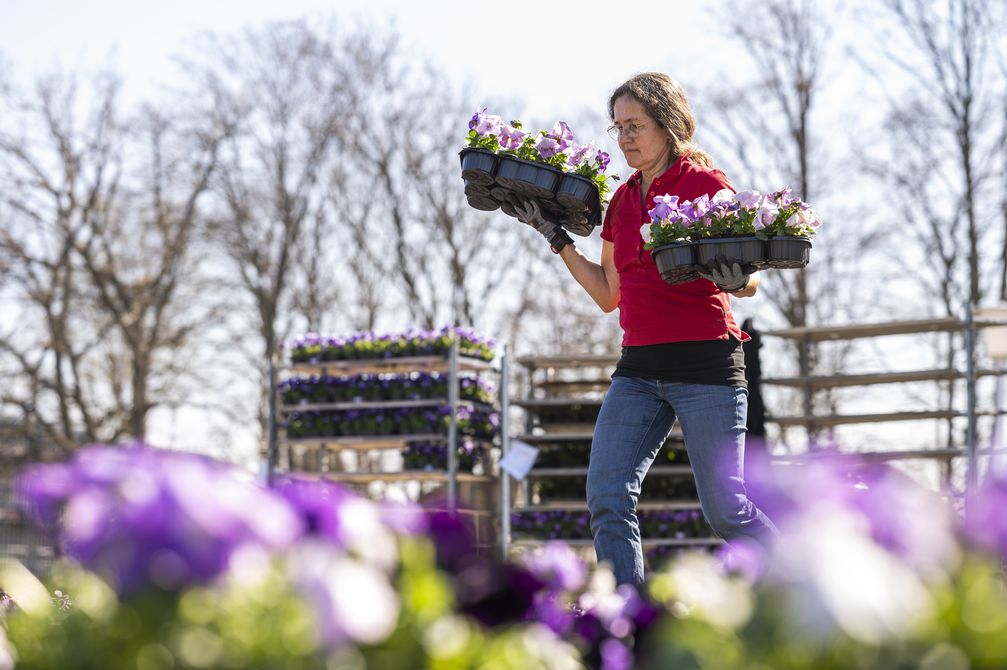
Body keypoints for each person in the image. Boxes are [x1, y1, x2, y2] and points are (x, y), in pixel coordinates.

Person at [515, 72, 780, 586]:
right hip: (639, 369)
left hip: (706, 365)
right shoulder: (620, 203)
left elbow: (749, 285)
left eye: (636, 124)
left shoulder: (705, 186)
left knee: (726, 510)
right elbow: (608, 294)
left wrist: (740, 280)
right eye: (618, 128)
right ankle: (628, 617)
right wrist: (557, 237)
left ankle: (801, 583)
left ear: (667, 123)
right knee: (607, 495)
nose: (626, 137)